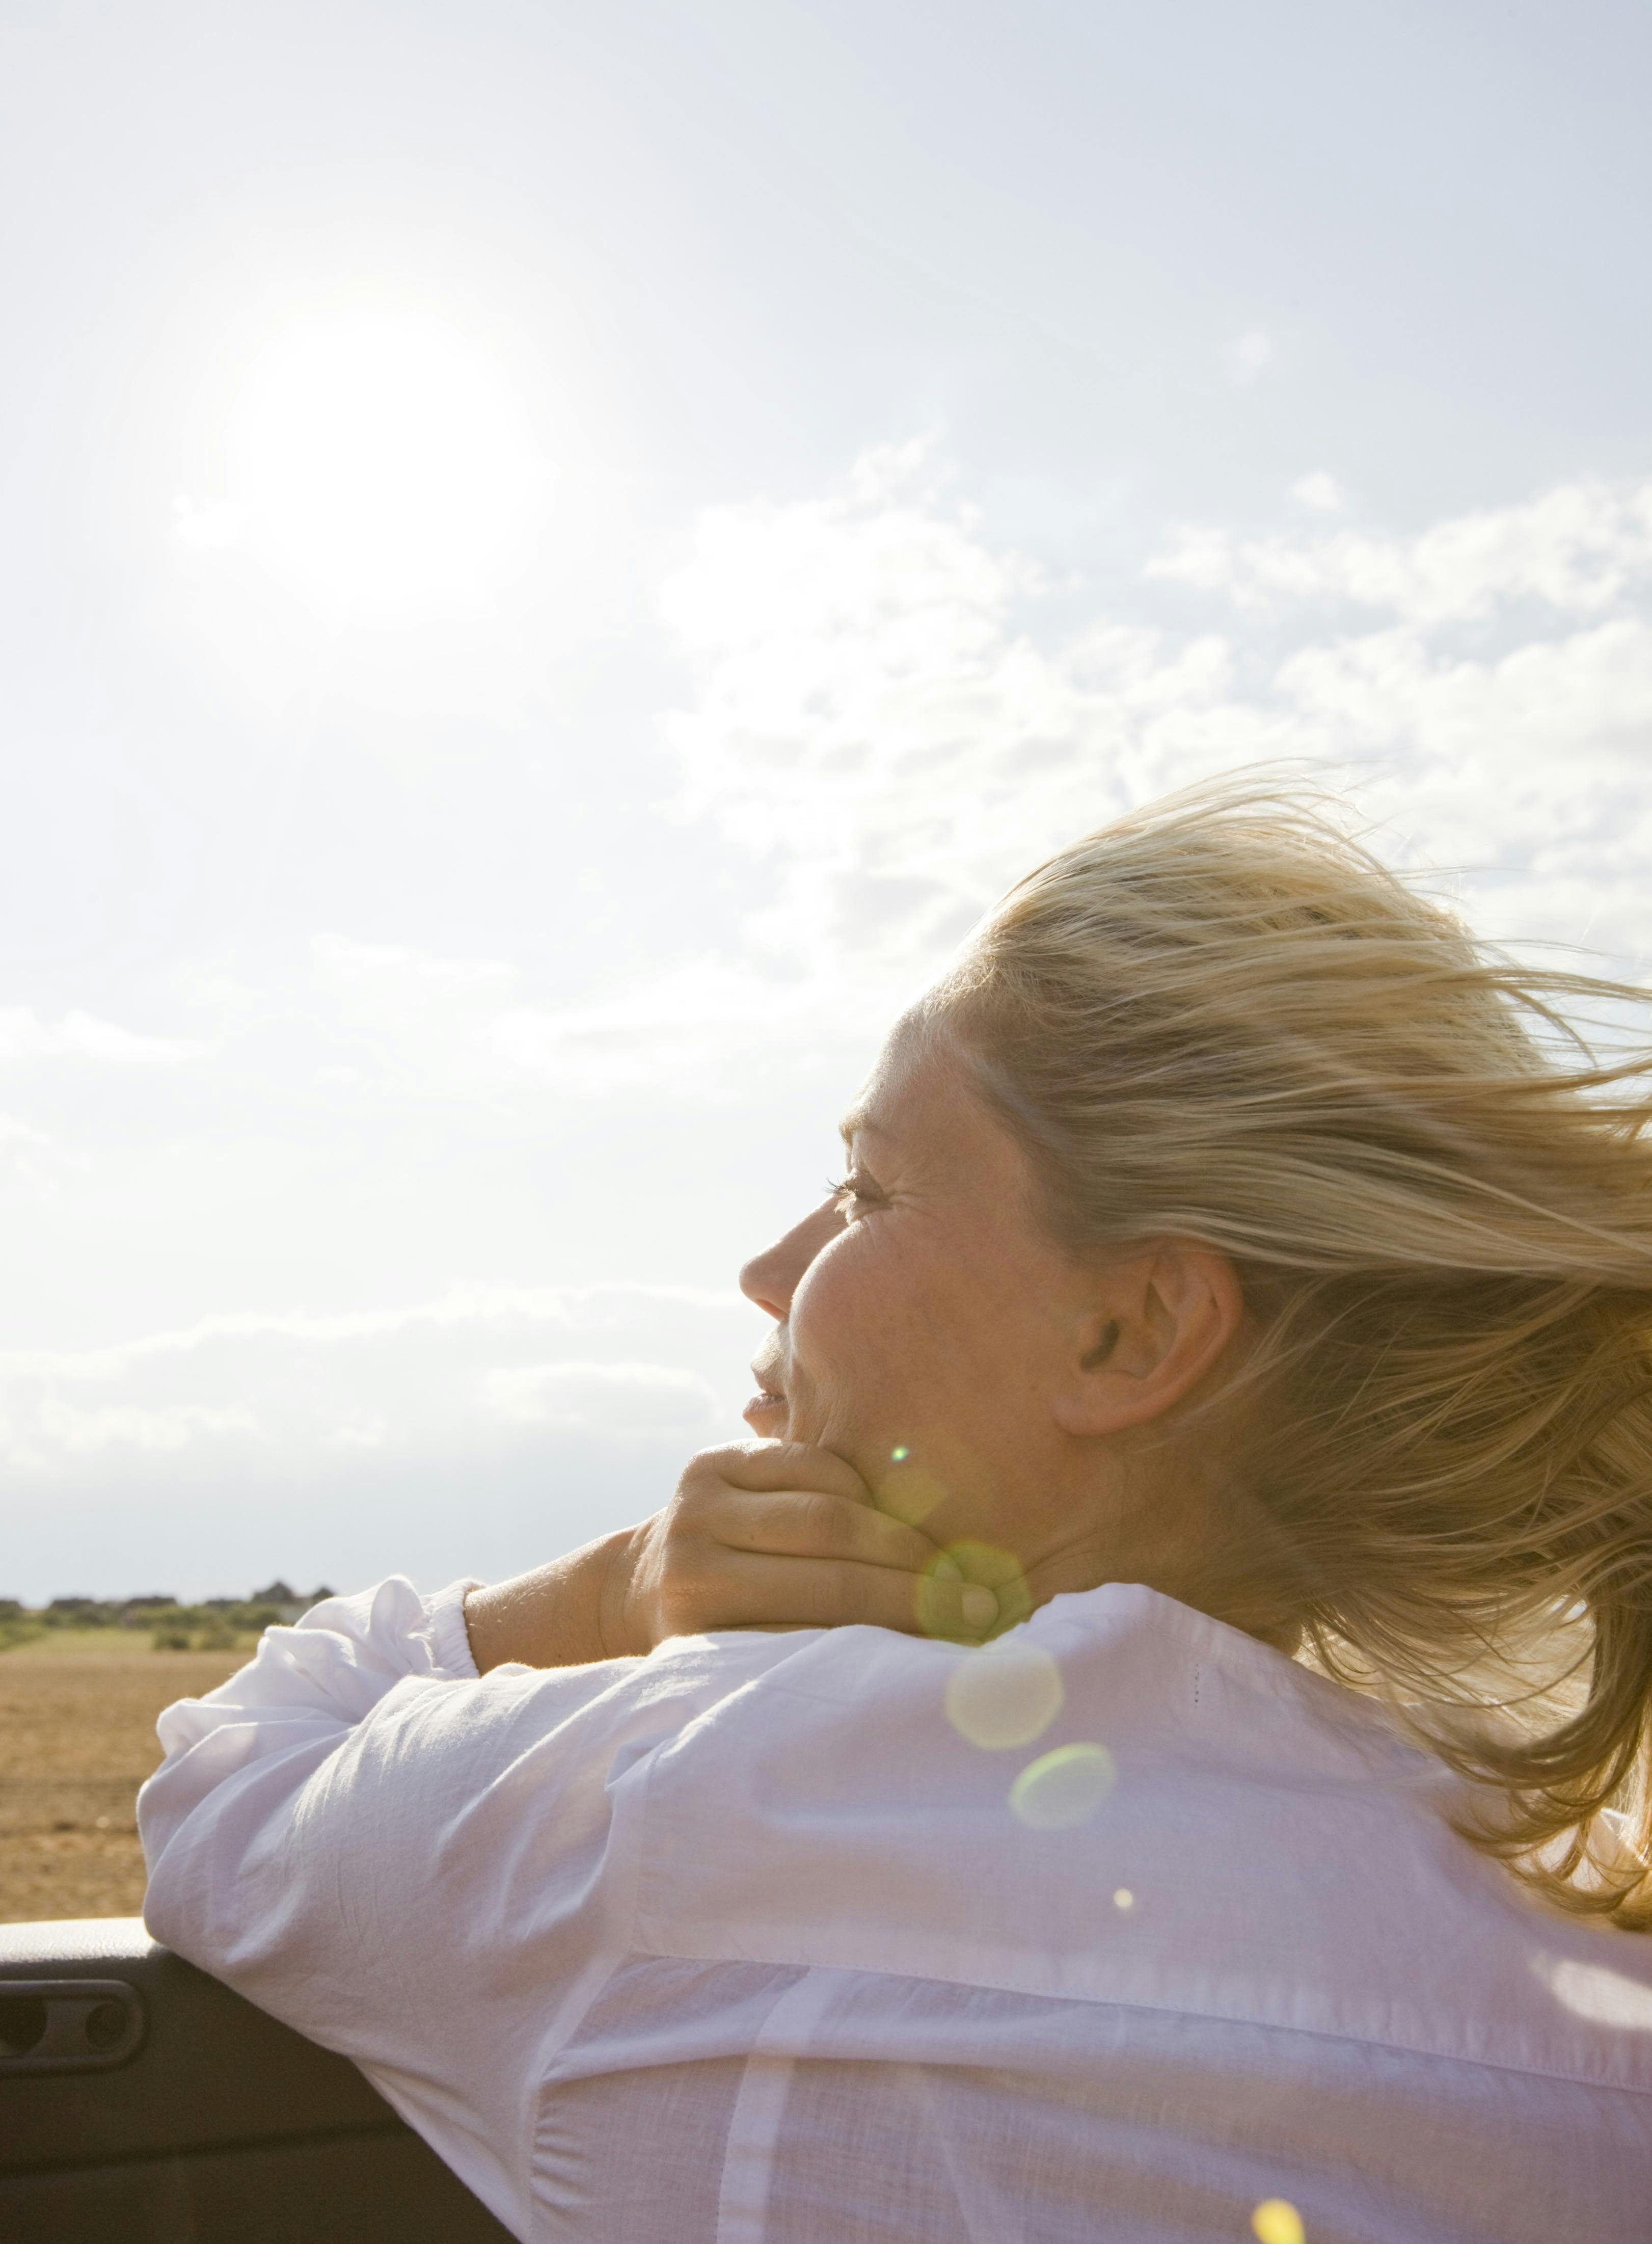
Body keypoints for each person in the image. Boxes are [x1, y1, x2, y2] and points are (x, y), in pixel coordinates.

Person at [139, 784, 1652, 2242]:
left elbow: (238, 1772)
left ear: (1130, 1333)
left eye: (864, 1192)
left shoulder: (702, 1796)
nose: (769, 1266)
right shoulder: (1578, 1927)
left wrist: (614, 1594)